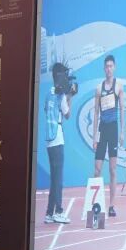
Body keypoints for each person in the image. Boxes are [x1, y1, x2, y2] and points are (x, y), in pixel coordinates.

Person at [92, 54, 123, 219]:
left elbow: (122, 110)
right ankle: (96, 203)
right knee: (97, 169)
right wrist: (94, 137)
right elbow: (96, 113)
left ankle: (112, 205)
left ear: (114, 67)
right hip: (102, 130)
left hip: (113, 130)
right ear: (104, 69)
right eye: (107, 66)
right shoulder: (99, 88)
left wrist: (122, 133)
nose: (109, 69)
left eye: (111, 66)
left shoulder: (119, 86)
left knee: (112, 169)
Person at [42, 62, 73, 224]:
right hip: (57, 138)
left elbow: (47, 110)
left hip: (49, 140)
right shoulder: (60, 96)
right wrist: (70, 96)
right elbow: (67, 114)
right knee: (58, 178)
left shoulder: (48, 93)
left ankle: (49, 213)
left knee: (54, 179)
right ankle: (59, 211)